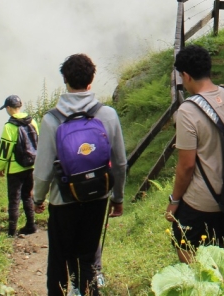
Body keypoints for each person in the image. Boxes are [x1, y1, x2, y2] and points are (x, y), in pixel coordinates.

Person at [34, 54, 127, 296]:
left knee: (59, 257)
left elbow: (43, 169)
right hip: (97, 198)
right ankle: (91, 291)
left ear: (65, 80)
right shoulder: (107, 115)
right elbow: (119, 163)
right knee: (89, 255)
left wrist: (38, 198)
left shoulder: (51, 119)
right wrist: (117, 197)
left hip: (63, 200)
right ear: (91, 81)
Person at [165, 45, 224, 262]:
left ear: (187, 76)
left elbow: (187, 166)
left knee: (185, 248)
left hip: (202, 201)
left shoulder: (188, 112)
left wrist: (174, 200)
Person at [0, 94, 38, 238]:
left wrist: (0, 166)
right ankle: (31, 225)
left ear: (8, 108)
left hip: (15, 167)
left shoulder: (9, 126)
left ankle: (12, 231)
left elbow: (5, 149)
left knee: (14, 199)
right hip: (30, 165)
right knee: (27, 195)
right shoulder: (33, 122)